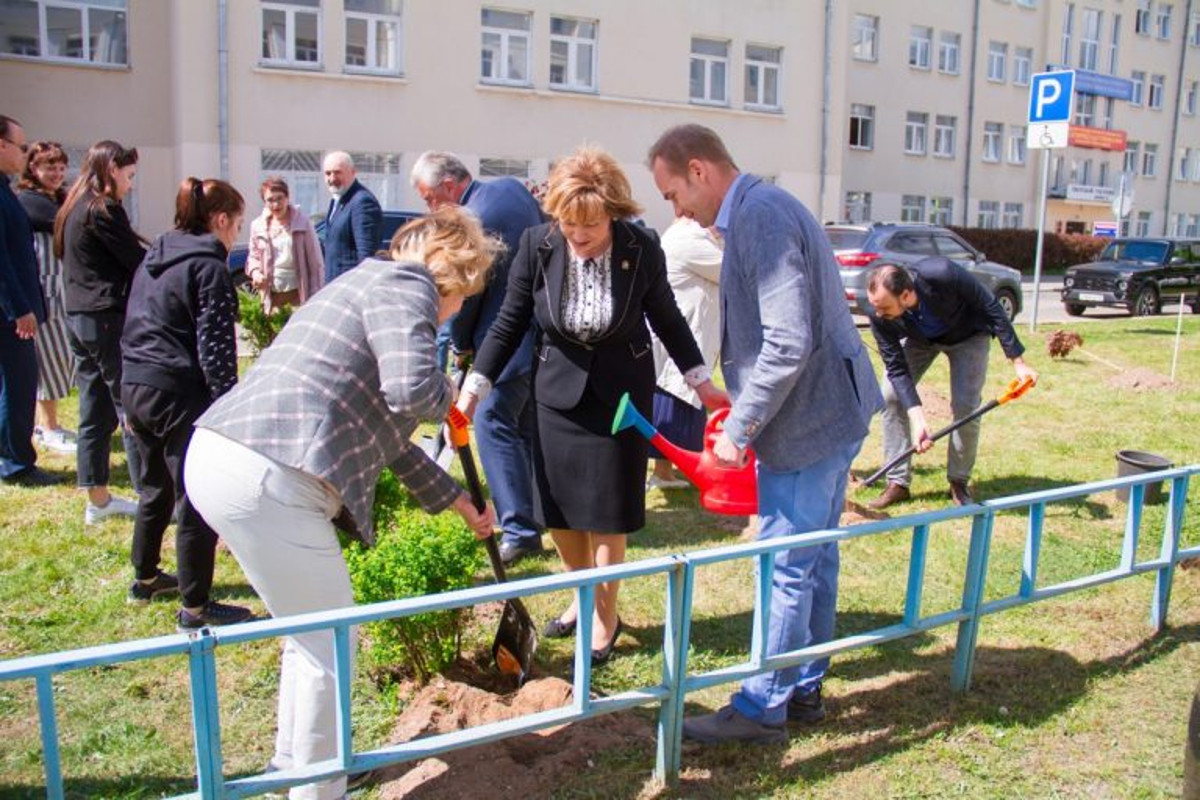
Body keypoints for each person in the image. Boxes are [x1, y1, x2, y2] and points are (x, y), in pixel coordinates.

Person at [185, 207, 497, 800]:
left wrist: (459, 502)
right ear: (450, 270)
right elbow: (411, 391)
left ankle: (293, 768)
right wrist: (450, 395)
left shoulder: (363, 284)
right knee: (330, 641)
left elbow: (388, 436)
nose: (456, 311)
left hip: (229, 454)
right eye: (462, 297)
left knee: (310, 638)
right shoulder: (408, 284)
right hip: (272, 473)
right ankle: (318, 791)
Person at [647, 123, 883, 744]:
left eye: (674, 195)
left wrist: (739, 431)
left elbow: (786, 341)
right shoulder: (760, 209)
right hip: (833, 410)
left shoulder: (760, 218)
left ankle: (763, 707)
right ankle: (803, 687)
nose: (678, 211)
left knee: (784, 561)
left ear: (699, 171)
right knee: (813, 556)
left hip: (809, 421)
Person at [457, 146, 728, 665]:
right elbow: (510, 322)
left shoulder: (641, 246)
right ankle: (583, 598)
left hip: (620, 397)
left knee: (607, 513)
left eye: (590, 226)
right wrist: (474, 389)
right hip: (556, 394)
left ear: (613, 213)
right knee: (560, 511)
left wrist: (702, 384)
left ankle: (606, 617)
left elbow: (668, 319)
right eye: (568, 224)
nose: (578, 237)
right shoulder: (538, 244)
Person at [120, 178, 253, 627]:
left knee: (154, 488)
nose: (237, 234)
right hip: (177, 389)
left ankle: (144, 576)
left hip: (135, 382)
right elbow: (215, 347)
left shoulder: (154, 258)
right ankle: (195, 607)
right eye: (236, 224)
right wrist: (226, 408)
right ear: (219, 220)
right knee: (196, 496)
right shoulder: (209, 268)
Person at [410, 150, 545, 565]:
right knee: (522, 427)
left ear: (449, 187)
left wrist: (461, 344)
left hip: (499, 338)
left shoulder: (469, 220)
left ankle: (520, 530)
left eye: (430, 198)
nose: (431, 209)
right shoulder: (509, 188)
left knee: (490, 423)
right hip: (539, 330)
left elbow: (467, 291)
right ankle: (537, 516)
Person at [865, 260, 1039, 509]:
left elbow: (990, 306)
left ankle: (958, 482)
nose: (879, 314)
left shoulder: (941, 274)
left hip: (967, 335)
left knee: (966, 405)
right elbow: (896, 367)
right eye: (876, 307)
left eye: (884, 307)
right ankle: (897, 483)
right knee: (891, 395)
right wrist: (918, 417)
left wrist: (1018, 362)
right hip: (920, 339)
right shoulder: (879, 313)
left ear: (905, 294)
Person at [54, 140, 145, 524]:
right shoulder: (103, 208)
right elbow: (134, 258)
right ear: (111, 170)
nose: (130, 184)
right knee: (130, 405)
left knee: (93, 407)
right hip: (105, 316)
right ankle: (149, 493)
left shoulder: (73, 205)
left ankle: (98, 498)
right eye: (129, 176)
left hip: (78, 315)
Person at [1, 114, 58, 487]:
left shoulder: (4, 188)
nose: (24, 153)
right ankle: (15, 463)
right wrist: (19, 308)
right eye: (21, 147)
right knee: (17, 384)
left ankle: (11, 457)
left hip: (15, 306)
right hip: (10, 312)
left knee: (14, 383)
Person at [647, 216, 723, 489]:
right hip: (682, 341)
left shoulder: (686, 236)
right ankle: (668, 472)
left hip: (684, 341)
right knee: (674, 408)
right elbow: (729, 269)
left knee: (678, 405)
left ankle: (664, 473)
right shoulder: (689, 240)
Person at [16, 141, 76, 454]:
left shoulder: (60, 197)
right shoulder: (29, 200)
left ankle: (50, 424)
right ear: (33, 168)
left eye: (60, 167)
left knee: (62, 357)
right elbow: (65, 225)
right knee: (49, 359)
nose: (56, 173)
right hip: (46, 289)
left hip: (63, 289)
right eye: (48, 167)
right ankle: (47, 426)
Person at [246, 176, 324, 314]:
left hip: (298, 294)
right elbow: (253, 257)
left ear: (288, 198)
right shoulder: (257, 226)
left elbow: (315, 263)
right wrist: (256, 272)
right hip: (271, 295)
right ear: (264, 202)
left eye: (280, 198)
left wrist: (315, 296)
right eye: (270, 200)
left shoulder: (303, 223)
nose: (276, 204)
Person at [320, 150, 381, 284]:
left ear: (353, 172)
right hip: (334, 286)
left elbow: (366, 256)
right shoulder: (337, 200)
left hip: (349, 288)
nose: (332, 179)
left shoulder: (362, 202)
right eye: (328, 173)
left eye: (337, 172)